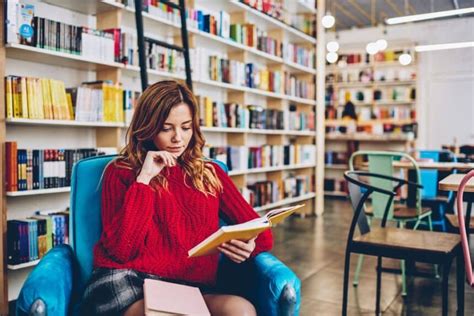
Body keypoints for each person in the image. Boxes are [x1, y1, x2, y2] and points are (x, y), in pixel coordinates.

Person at [81, 80, 273, 316]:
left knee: (242, 310)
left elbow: (262, 231)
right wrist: (144, 179)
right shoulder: (121, 171)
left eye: (186, 127)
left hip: (191, 286)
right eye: (166, 128)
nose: (178, 138)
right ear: (148, 128)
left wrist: (250, 244)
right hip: (129, 281)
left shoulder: (210, 174)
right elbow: (121, 250)